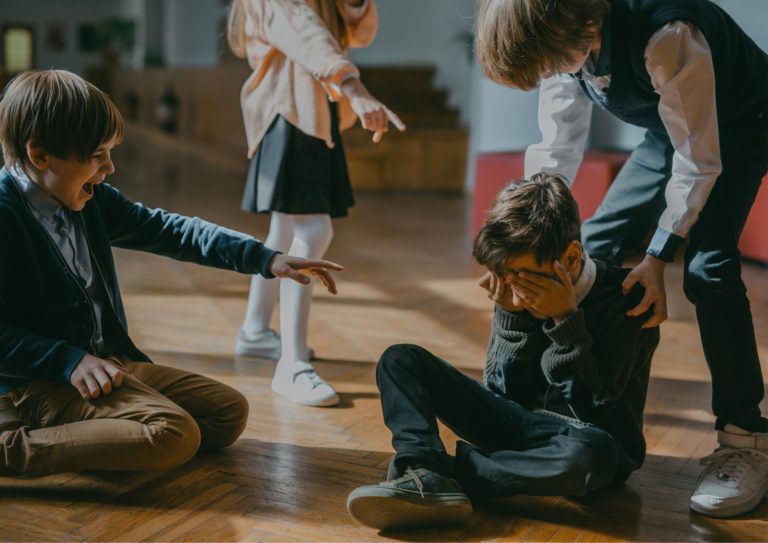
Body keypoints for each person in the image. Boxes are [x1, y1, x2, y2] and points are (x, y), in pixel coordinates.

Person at [475, 0, 768, 518]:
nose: (552, 75)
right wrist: (528, 236)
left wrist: (657, 257)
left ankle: (745, 439)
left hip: (745, 122)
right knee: (592, 243)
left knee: (708, 269)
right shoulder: (561, 43)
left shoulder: (667, 34)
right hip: (669, 130)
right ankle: (574, 406)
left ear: (576, 27)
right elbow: (557, 144)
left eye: (549, 64)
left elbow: (700, 161)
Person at [0, 69, 342, 477]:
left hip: (104, 364)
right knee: (173, 433)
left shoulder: (90, 199)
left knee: (226, 414)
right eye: (96, 156)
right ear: (39, 154)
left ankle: (99, 426)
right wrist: (68, 361)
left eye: (111, 152)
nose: (109, 168)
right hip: (35, 383)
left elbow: (170, 230)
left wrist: (265, 259)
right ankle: (11, 449)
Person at [346, 174, 660, 531]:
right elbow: (502, 395)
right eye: (503, 275)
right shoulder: (513, 282)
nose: (515, 287)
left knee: (591, 453)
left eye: (525, 277)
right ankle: (422, 466)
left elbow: (591, 408)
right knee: (400, 359)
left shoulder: (629, 301)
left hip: (585, 440)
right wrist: (513, 319)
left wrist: (565, 320)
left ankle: (447, 475)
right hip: (517, 425)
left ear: (571, 256)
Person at [227, 0, 404, 407]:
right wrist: (355, 90)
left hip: (312, 108)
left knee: (284, 231)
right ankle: (291, 364)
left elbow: (355, 32)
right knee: (314, 230)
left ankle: (254, 332)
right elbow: (305, 31)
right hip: (291, 110)